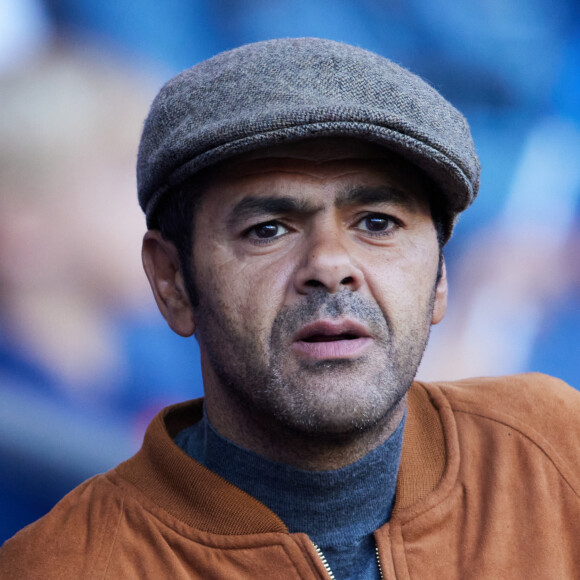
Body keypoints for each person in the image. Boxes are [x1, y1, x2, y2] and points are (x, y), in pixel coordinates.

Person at [1, 37, 579, 579]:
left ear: (440, 275)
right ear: (172, 282)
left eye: (377, 223)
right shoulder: (62, 564)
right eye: (268, 229)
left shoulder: (557, 452)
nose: (331, 262)